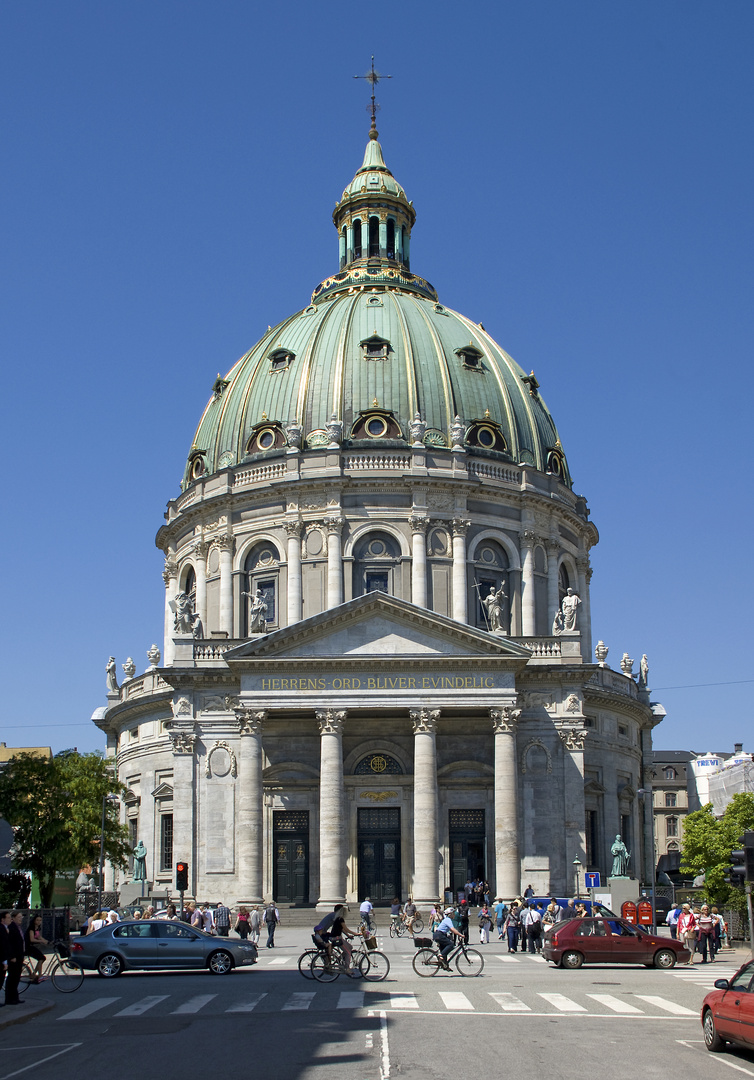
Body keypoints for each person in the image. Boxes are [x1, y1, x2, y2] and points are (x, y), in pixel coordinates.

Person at [314, 905, 356, 974]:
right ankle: (328, 966)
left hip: (322, 932)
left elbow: (339, 927)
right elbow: (341, 927)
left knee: (331, 947)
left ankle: (336, 960)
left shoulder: (333, 915)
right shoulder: (335, 916)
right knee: (328, 949)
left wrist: (347, 935)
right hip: (321, 933)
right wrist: (348, 935)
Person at [4, 911, 25, 1005]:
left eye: (21, 917)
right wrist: (11, 956)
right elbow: (9, 944)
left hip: (19, 956)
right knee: (12, 978)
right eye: (19, 917)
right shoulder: (11, 927)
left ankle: (15, 997)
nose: (21, 919)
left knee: (16, 978)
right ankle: (10, 999)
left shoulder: (17, 927)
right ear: (14, 918)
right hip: (14, 957)